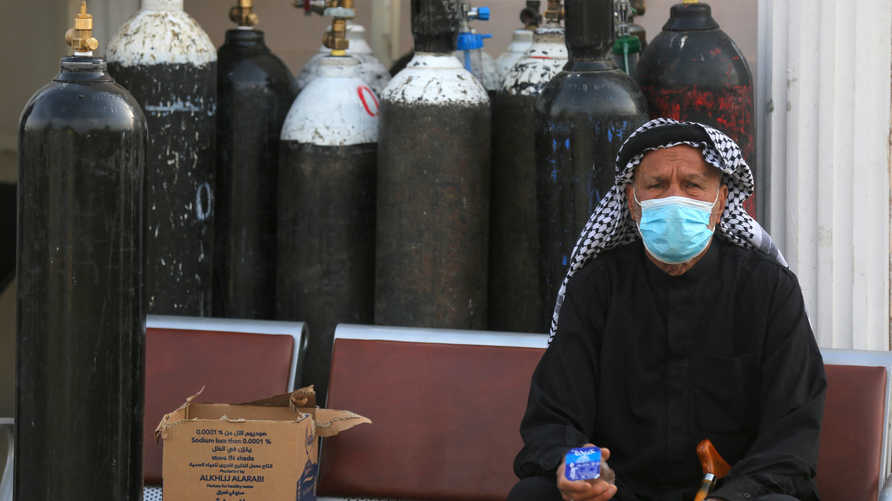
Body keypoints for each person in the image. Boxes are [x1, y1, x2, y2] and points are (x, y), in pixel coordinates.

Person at [509, 118, 827, 501]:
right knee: (534, 494)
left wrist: (731, 497)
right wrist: (583, 473)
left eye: (692, 185)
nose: (675, 199)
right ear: (633, 201)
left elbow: (790, 434)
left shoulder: (769, 290)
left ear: (720, 202)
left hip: (732, 493)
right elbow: (557, 416)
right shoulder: (597, 287)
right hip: (617, 493)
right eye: (657, 185)